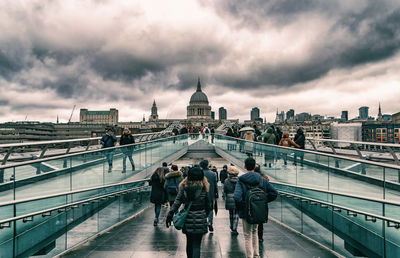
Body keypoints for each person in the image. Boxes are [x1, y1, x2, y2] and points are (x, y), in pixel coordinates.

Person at [234, 157, 278, 258]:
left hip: (246, 212)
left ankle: (249, 256)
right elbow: (274, 193)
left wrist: (245, 206)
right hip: (258, 211)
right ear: (255, 166)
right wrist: (263, 202)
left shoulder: (241, 180)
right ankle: (256, 255)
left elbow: (237, 197)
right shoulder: (262, 180)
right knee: (255, 232)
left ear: (245, 166)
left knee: (247, 235)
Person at [166, 167, 210, 258]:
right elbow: (208, 205)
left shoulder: (184, 187)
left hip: (188, 217)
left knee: (189, 242)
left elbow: (177, 201)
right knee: (197, 244)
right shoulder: (204, 187)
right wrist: (206, 215)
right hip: (200, 216)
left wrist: (170, 214)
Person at [200, 160, 218, 233]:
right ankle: (210, 222)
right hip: (211, 194)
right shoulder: (213, 174)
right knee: (210, 209)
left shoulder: (200, 173)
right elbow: (215, 185)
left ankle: (204, 223)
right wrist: (216, 194)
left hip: (201, 194)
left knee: (202, 209)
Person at [254, 163, 270, 243]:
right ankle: (260, 237)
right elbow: (273, 192)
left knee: (253, 221)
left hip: (253, 202)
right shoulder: (264, 178)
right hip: (262, 202)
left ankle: (255, 237)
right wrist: (266, 199)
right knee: (260, 222)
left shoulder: (249, 178)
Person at [224, 166, 240, 235]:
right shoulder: (239, 180)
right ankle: (234, 228)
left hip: (229, 198)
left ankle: (231, 226)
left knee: (231, 213)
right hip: (237, 198)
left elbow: (225, 190)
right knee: (236, 214)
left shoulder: (226, 180)